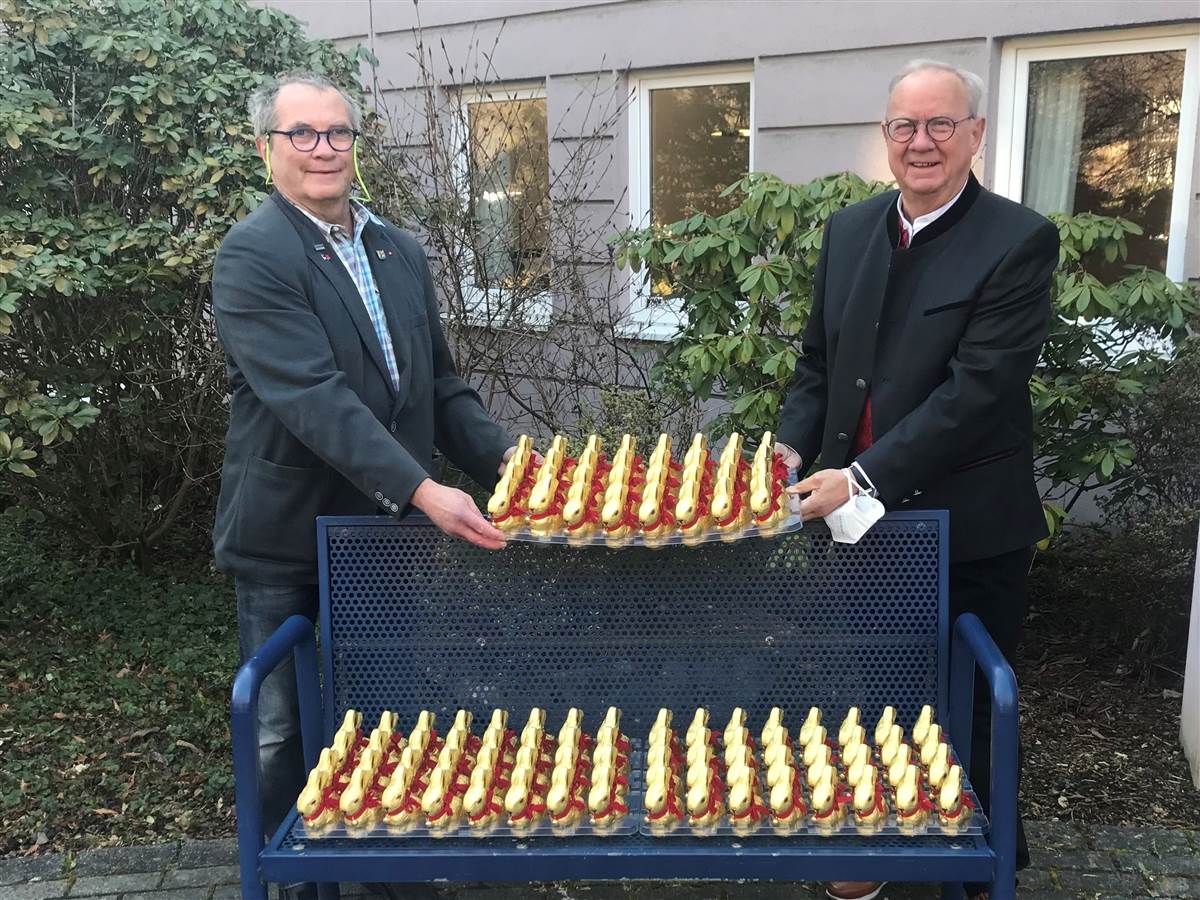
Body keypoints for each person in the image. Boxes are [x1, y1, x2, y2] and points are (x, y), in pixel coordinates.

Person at [211, 71, 516, 861]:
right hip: (289, 535)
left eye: (337, 133)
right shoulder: (254, 254)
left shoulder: (397, 247)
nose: (323, 150)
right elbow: (314, 397)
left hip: (381, 537)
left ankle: (387, 871)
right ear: (265, 149)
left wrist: (517, 467)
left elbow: (440, 388)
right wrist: (421, 489)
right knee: (280, 731)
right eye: (302, 134)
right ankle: (295, 874)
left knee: (388, 715)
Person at [775, 59, 1059, 900]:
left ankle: (985, 864)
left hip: (967, 521)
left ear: (976, 134)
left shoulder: (1018, 240)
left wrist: (858, 475)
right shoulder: (851, 230)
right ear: (886, 137)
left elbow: (978, 394)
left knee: (970, 704)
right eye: (905, 126)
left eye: (941, 124)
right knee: (875, 690)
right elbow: (817, 365)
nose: (922, 142)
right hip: (855, 524)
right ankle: (881, 842)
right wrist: (791, 449)